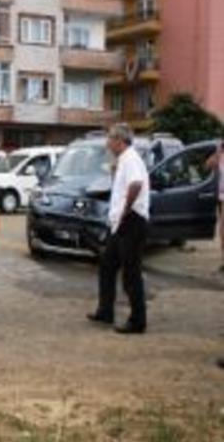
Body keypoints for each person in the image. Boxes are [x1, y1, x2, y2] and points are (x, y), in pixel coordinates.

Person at [87, 123, 150, 334]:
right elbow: (122, 187)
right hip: (120, 223)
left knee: (131, 272)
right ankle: (105, 311)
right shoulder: (123, 160)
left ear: (119, 141)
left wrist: (125, 210)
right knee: (107, 266)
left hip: (131, 220)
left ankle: (138, 321)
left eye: (109, 139)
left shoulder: (131, 158)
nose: (107, 144)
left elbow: (136, 184)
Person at [204, 141, 224, 272]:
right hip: (222, 198)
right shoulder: (220, 156)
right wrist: (217, 153)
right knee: (222, 232)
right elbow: (207, 165)